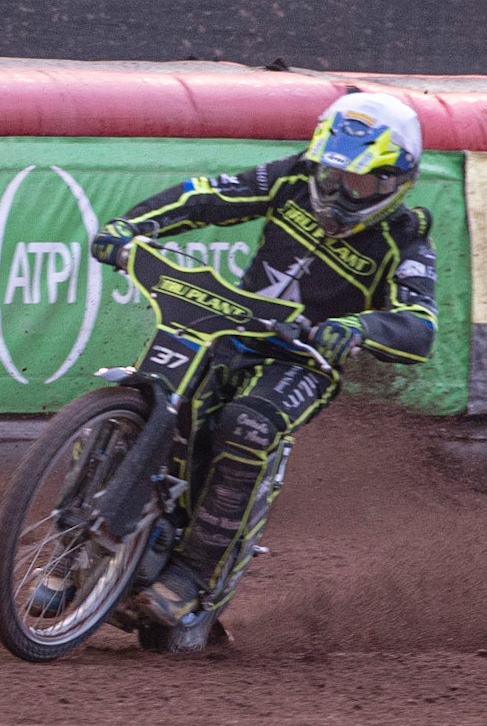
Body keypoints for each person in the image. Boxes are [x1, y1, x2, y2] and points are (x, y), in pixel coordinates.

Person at [88, 91, 437, 626]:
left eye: (358, 182)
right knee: (156, 389)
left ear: (394, 180)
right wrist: (132, 227)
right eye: (330, 174)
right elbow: (207, 194)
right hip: (231, 328)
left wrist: (358, 326)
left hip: (305, 361)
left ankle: (193, 575)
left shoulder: (406, 239)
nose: (338, 192)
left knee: (244, 423)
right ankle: (87, 524)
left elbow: (421, 325)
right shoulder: (292, 178)